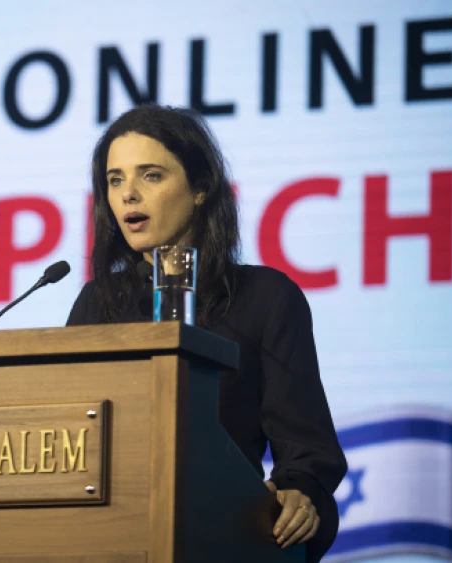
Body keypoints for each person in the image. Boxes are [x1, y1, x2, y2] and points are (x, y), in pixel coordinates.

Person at [66, 105, 348, 562]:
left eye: (150, 176)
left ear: (200, 188)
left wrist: (299, 492)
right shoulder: (100, 303)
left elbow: (307, 452)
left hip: (220, 533)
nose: (128, 195)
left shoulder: (265, 298)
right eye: (115, 180)